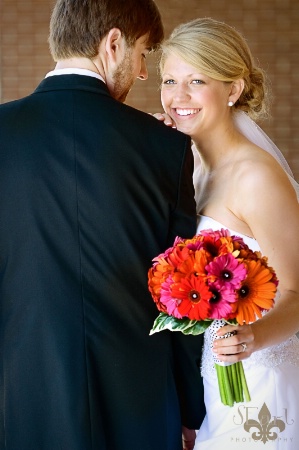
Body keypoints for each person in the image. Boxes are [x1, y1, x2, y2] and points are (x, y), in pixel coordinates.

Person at [0, 2, 206, 449]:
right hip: (144, 404)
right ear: (113, 45)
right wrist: (192, 407)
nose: (143, 73)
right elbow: (184, 293)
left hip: (21, 401)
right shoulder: (167, 148)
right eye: (143, 54)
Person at [154, 17, 299, 449]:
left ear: (233, 90)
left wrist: (254, 336)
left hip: (257, 382)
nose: (178, 96)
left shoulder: (257, 176)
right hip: (210, 381)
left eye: (196, 80)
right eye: (169, 80)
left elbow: (297, 290)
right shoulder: (193, 168)